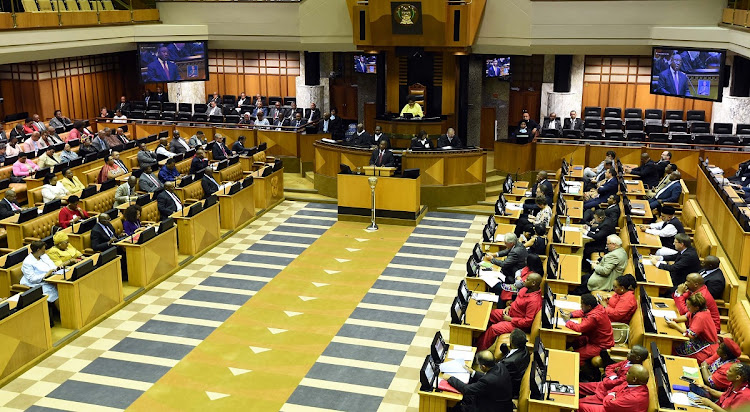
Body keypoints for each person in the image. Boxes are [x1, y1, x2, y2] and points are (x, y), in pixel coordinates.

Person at [475, 273, 542, 351]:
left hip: (517, 324)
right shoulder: (525, 289)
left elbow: (527, 322)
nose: (523, 280)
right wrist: (510, 306)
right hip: (510, 312)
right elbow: (517, 302)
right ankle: (476, 339)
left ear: (533, 283)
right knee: (488, 315)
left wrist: (510, 319)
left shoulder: (534, 301)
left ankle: (478, 349)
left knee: (494, 329)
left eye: (527, 280)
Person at [445, 350, 513, 412]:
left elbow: (466, 389)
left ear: (483, 367)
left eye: (478, 364)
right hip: (500, 400)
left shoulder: (487, 380)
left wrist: (450, 378)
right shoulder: (501, 366)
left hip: (492, 407)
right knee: (465, 396)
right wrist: (473, 372)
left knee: (456, 408)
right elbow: (489, 377)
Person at [560, 293, 615, 365]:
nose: (581, 306)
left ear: (589, 306)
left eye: (582, 304)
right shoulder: (598, 307)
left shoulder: (594, 317)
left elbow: (579, 328)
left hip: (601, 346)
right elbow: (582, 312)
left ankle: (587, 374)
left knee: (576, 356)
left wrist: (567, 321)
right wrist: (570, 315)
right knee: (573, 341)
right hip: (594, 339)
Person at [579, 345, 649, 401]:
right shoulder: (628, 361)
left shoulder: (633, 372)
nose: (628, 353)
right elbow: (610, 367)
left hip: (606, 391)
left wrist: (608, 377)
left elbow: (615, 383)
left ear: (637, 358)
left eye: (631, 352)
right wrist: (613, 376)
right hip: (603, 385)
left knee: (579, 403)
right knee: (578, 386)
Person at [665, 291, 719, 363]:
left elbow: (690, 335)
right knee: (674, 344)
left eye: (689, 306)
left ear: (696, 307)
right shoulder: (698, 310)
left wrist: (675, 326)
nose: (687, 307)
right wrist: (674, 320)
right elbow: (686, 316)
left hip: (706, 348)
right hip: (698, 340)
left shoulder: (700, 317)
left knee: (675, 348)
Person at [579, 365, 650, 412]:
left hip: (610, 408)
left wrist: (611, 395)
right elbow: (615, 389)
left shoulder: (635, 398)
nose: (626, 374)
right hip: (610, 402)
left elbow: (609, 405)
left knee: (579, 406)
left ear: (634, 379)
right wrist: (613, 395)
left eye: (628, 373)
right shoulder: (633, 383)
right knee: (578, 402)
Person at [21, 241, 59, 310]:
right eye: (43, 249)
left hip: (51, 278)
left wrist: (55, 270)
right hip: (38, 284)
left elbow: (52, 265)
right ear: (38, 250)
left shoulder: (43, 255)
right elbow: (32, 279)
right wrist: (46, 275)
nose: (45, 250)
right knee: (56, 295)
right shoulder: (27, 262)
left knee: (63, 289)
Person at [581, 210, 617, 274]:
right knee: (587, 245)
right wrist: (589, 228)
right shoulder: (605, 220)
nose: (594, 220)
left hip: (606, 245)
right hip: (603, 241)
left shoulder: (606, 225)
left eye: (595, 218)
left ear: (600, 218)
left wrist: (586, 232)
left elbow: (597, 236)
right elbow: (598, 228)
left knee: (588, 249)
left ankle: (585, 268)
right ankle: (586, 266)